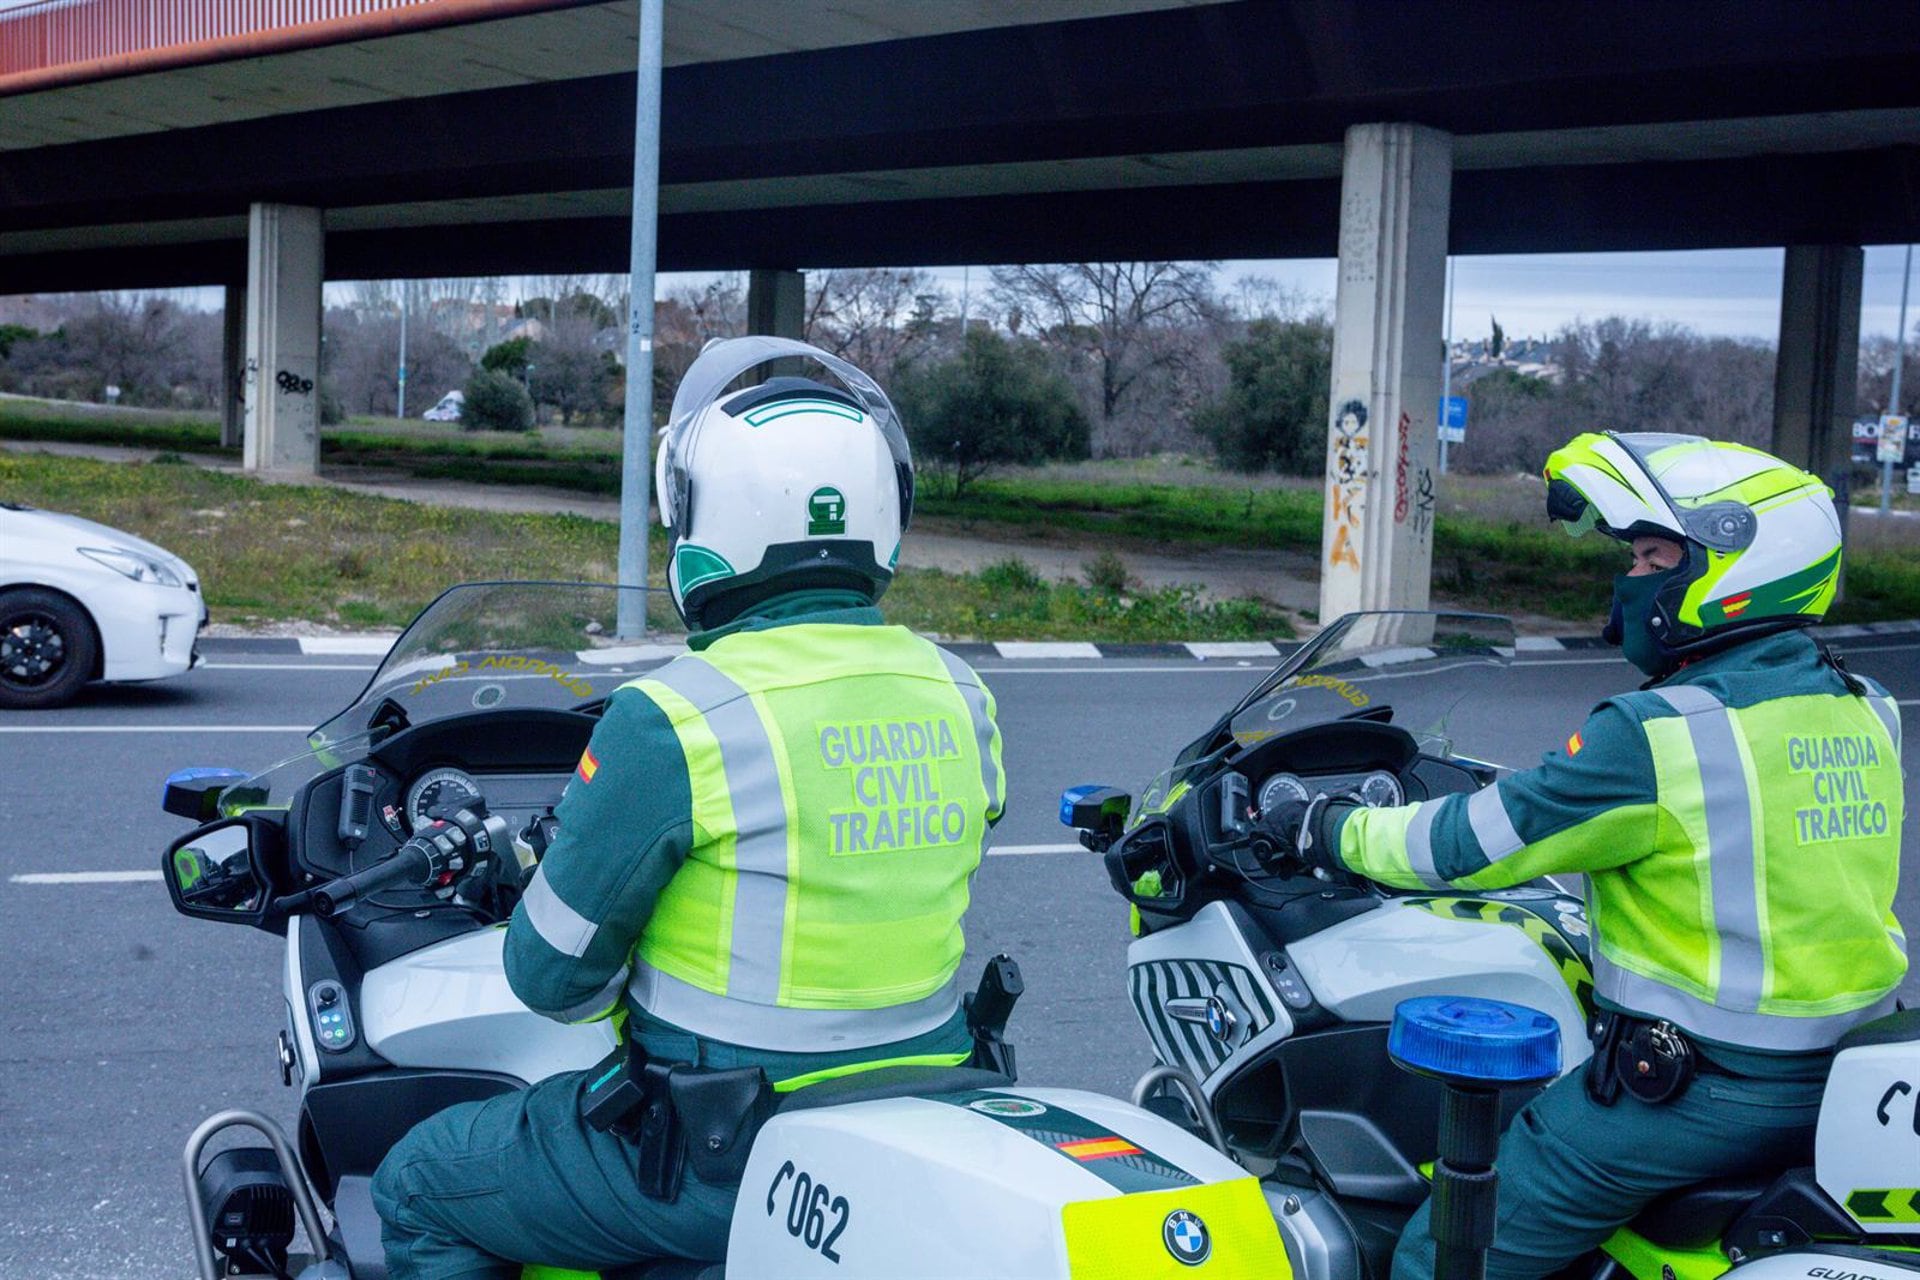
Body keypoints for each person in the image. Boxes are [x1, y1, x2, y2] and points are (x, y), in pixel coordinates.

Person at [373, 338, 1006, 1279]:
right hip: (931, 1109)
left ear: (714, 518)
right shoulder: (961, 694)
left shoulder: (676, 717)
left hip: (725, 1153)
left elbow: (552, 979)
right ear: (885, 511)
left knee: (421, 1182)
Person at [1269, 431, 1907, 1280]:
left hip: (1703, 1092)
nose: (1633, 579)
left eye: (1652, 557)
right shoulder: (1866, 706)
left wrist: (1328, 829)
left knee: (1445, 1251)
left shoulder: (1661, 732)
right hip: (1848, 1067)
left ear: (1731, 568)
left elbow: (1472, 845)